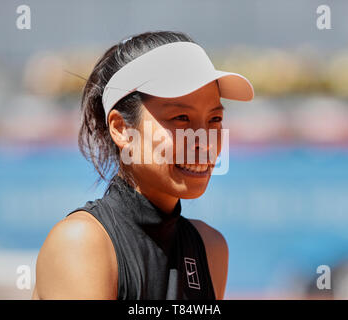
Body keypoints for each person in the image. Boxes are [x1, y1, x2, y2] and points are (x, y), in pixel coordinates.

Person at [32, 31, 254, 300]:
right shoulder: (83, 242)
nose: (204, 141)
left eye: (215, 119)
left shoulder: (209, 248)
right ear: (122, 128)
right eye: (181, 117)